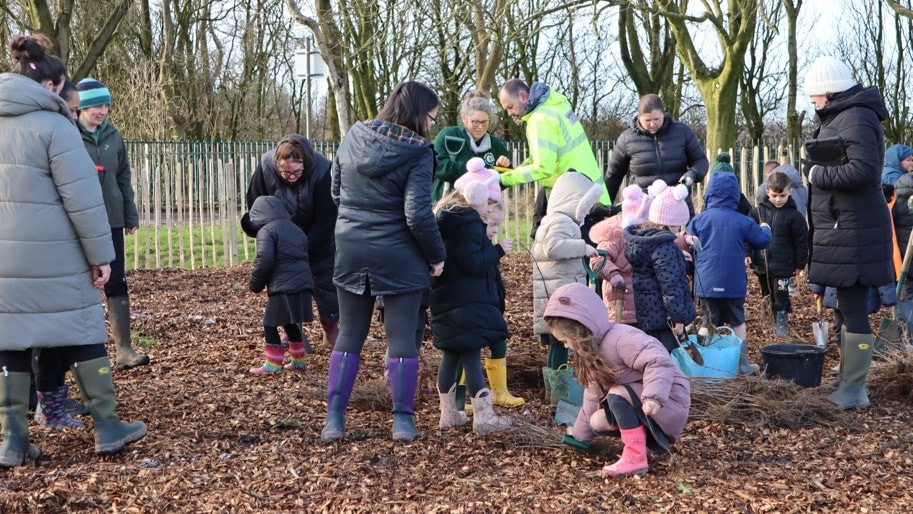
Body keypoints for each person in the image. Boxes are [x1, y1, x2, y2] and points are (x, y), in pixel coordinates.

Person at [0, 34, 146, 467]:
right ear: (49, 87)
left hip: (5, 258)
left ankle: (12, 440)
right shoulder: (55, 126)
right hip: (58, 254)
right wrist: (102, 256)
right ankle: (107, 427)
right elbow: (82, 199)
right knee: (81, 332)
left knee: (9, 340)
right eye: (66, 89)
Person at [322, 81, 446, 443]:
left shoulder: (352, 137)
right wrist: (437, 256)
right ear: (418, 114)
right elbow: (417, 214)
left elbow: (335, 192)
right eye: (431, 118)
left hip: (349, 247)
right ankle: (402, 421)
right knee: (402, 336)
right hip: (399, 253)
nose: (431, 126)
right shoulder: (419, 152)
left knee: (349, 334)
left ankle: (334, 420)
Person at [803, 56, 892, 410]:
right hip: (843, 230)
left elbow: (863, 171)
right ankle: (846, 378)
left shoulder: (855, 116)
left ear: (830, 90)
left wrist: (815, 175)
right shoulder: (842, 116)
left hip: (855, 232)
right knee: (843, 308)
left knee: (853, 309)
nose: (811, 102)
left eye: (814, 96)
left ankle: (855, 389)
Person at [545, 283, 690, 477]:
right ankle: (643, 445)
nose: (566, 346)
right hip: (645, 403)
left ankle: (635, 458)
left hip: (668, 399)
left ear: (579, 333)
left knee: (617, 393)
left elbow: (658, 361)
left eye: (565, 340)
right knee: (597, 421)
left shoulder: (621, 338)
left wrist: (654, 396)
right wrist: (580, 438)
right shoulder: (592, 355)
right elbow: (592, 398)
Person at [430, 164, 512, 435]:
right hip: (467, 301)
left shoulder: (445, 219)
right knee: (471, 356)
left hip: (447, 299)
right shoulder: (467, 223)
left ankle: (448, 414)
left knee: (451, 356)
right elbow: (471, 262)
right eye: (489, 203)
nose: (489, 210)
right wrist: (499, 250)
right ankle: (484, 418)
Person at [75, 77, 150, 369]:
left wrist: (129, 214)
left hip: (113, 219)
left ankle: (124, 350)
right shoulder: (68, 135)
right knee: (82, 285)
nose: (102, 110)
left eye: (105, 104)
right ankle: (80, 357)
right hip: (79, 222)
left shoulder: (114, 136)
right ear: (80, 108)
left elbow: (123, 178)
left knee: (116, 281)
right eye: (95, 105)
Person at [31, 79, 91, 431]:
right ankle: (47, 407)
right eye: (72, 110)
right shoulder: (53, 136)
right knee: (50, 337)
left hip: (40, 249)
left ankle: (43, 405)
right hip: (48, 251)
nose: (74, 117)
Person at [242, 135, 339, 348]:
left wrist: (305, 244)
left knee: (325, 286)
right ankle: (292, 333)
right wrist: (271, 236)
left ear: (305, 164)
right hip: (281, 240)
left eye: (296, 172)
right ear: (277, 164)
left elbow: (327, 215)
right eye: (286, 172)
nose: (291, 177)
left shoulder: (321, 170)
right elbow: (256, 205)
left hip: (317, 240)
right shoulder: (265, 168)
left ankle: (331, 329)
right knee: (286, 288)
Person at [497, 79, 612, 238]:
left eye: (510, 107)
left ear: (523, 96)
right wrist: (515, 170)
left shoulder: (540, 120)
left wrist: (504, 179)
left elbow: (542, 167)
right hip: (590, 193)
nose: (509, 113)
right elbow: (540, 157)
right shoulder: (556, 106)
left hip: (576, 201)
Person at [687, 170, 772, 374]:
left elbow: (689, 250)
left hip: (706, 284)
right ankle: (742, 364)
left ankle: (705, 364)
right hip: (733, 284)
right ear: (735, 195)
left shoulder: (699, 220)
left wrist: (690, 272)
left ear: (708, 195)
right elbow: (762, 240)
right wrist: (766, 228)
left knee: (708, 321)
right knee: (737, 321)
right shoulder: (742, 220)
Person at [530, 172, 602, 403]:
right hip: (560, 297)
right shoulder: (560, 221)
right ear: (573, 201)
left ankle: (555, 394)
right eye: (586, 205)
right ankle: (560, 395)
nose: (589, 212)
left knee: (557, 346)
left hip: (558, 293)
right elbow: (553, 248)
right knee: (561, 346)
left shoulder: (556, 220)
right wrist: (584, 247)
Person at [605, 94, 708, 215]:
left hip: (678, 206)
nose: (652, 124)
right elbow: (613, 176)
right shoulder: (626, 139)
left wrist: (693, 174)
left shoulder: (682, 132)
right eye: (647, 120)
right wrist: (605, 209)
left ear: (663, 114)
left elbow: (701, 160)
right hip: (642, 210)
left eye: (657, 119)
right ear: (639, 117)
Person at [624, 181, 696, 353]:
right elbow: (670, 287)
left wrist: (677, 255)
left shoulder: (645, 243)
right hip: (666, 319)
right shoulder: (665, 247)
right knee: (667, 359)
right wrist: (678, 319)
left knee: (652, 356)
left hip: (648, 313)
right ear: (673, 222)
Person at [246, 196, 315, 374]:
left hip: (283, 286)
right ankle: (298, 362)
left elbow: (264, 259)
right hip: (302, 283)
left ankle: (273, 364)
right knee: (289, 322)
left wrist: (255, 284)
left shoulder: (266, 231)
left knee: (269, 324)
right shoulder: (296, 229)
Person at [748, 171, 809, 338]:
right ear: (767, 192)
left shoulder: (794, 216)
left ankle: (781, 327)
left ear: (789, 192)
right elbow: (747, 234)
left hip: (784, 267)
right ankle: (768, 323)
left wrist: (799, 264)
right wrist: (747, 253)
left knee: (780, 296)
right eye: (774, 195)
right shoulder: (758, 213)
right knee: (766, 295)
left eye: (782, 195)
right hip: (762, 265)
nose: (778, 199)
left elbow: (801, 242)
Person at [586, 184, 653, 328]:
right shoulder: (614, 233)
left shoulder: (645, 230)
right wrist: (614, 275)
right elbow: (598, 259)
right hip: (622, 301)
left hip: (646, 302)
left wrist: (682, 244)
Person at [432, 90, 511, 203]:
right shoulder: (449, 135)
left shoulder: (495, 145)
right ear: (464, 118)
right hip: (446, 203)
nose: (480, 127)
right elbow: (438, 166)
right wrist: (480, 172)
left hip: (482, 208)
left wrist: (503, 167)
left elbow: (506, 178)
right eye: (475, 122)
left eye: (485, 122)